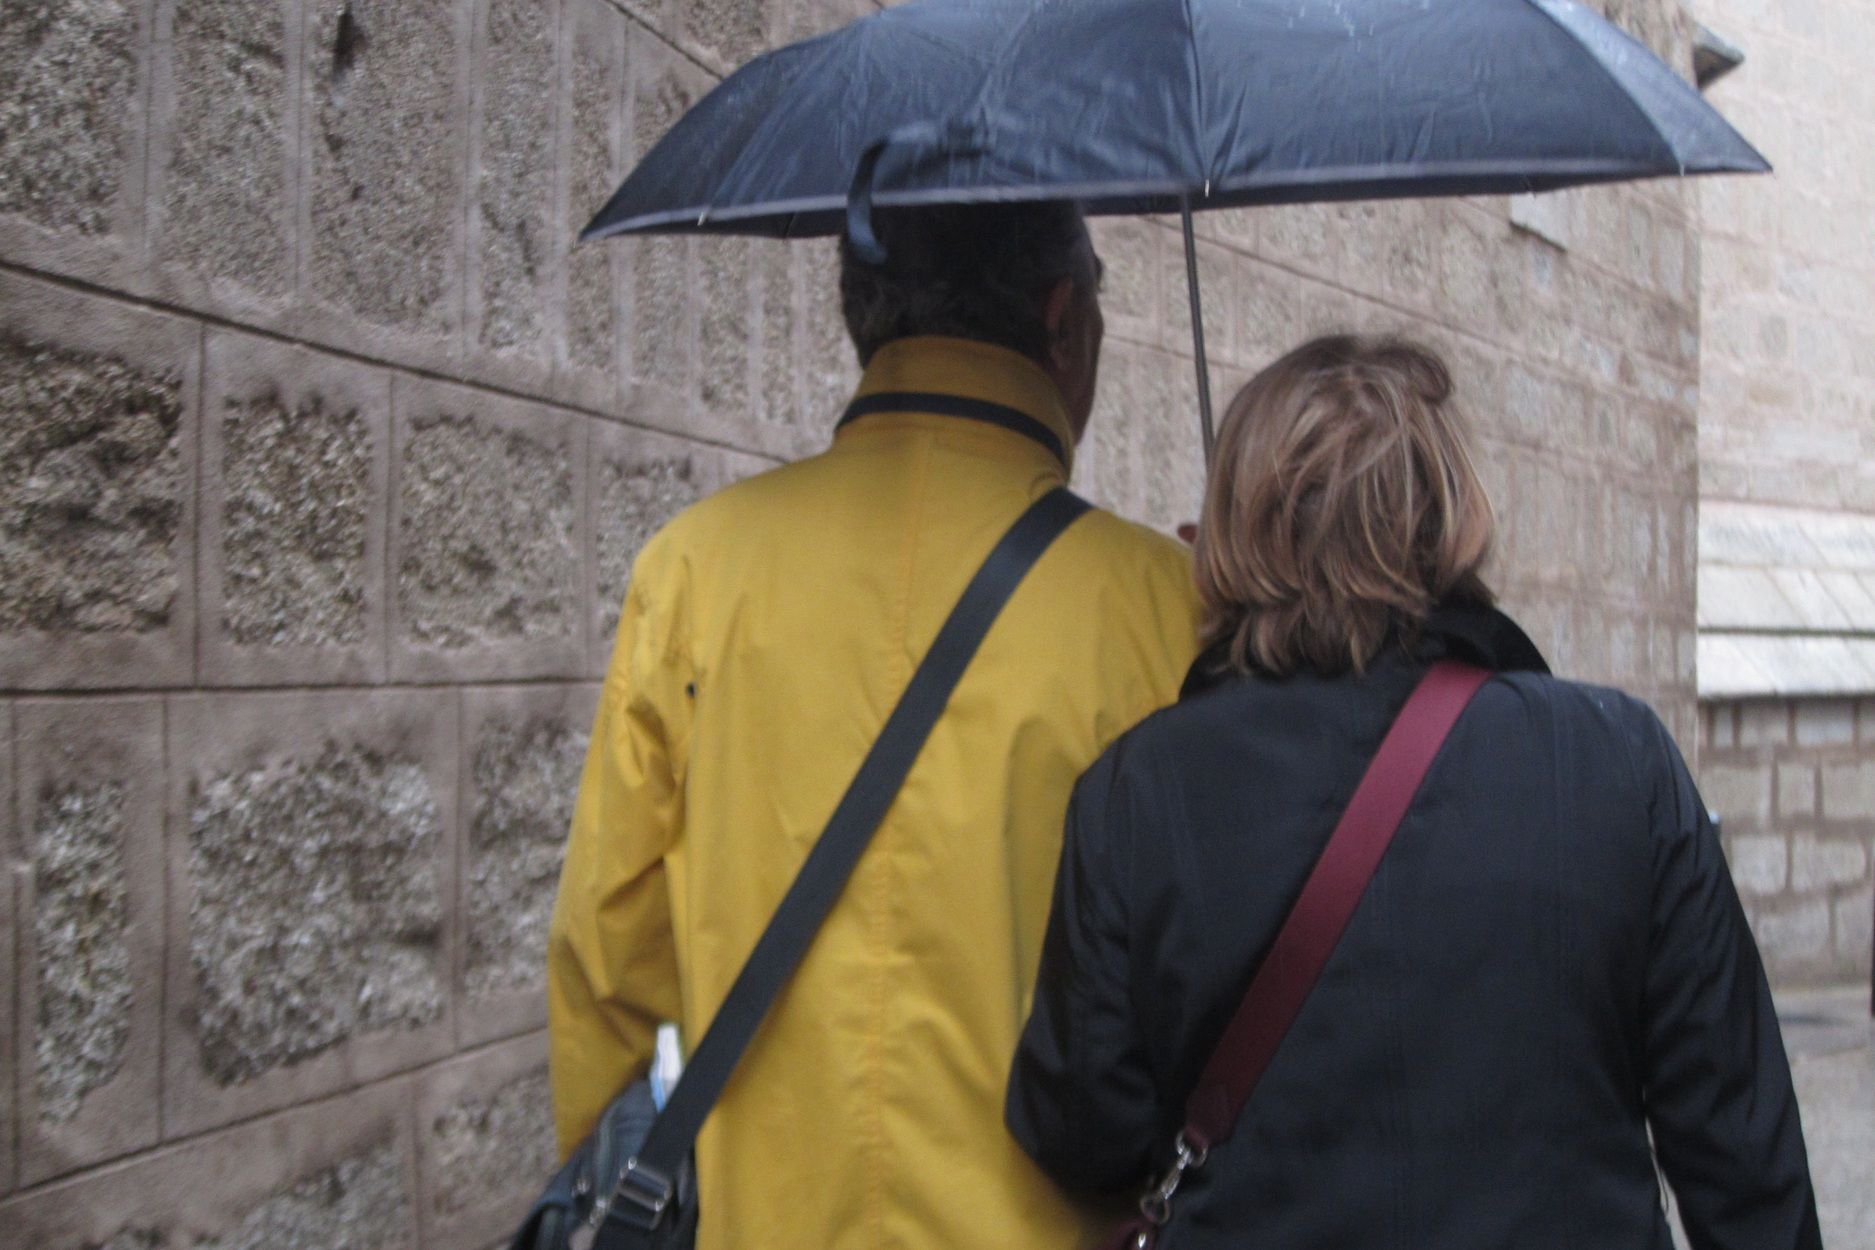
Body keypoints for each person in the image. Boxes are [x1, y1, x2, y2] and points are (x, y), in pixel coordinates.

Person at [1007, 336, 1822, 1249]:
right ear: (1452, 514)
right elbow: (1743, 1160)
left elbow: (1081, 1129)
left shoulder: (1136, 792)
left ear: (1234, 531)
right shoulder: (1616, 760)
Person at [546, 201, 1201, 1250]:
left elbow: (607, 962)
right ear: (1064, 319)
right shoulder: (1159, 600)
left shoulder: (693, 568)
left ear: (863, 316)